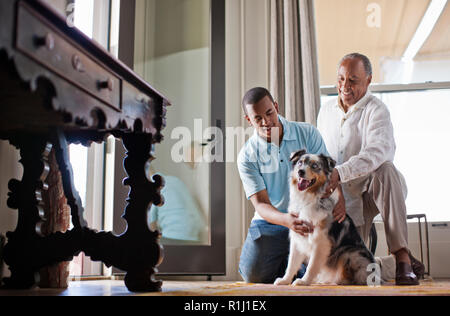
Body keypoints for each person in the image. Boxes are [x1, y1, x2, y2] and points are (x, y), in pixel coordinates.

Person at [317, 53, 424, 285]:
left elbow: (377, 153)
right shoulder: (325, 113)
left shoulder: (378, 110)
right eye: (341, 79)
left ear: (368, 80)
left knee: (386, 168)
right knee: (344, 277)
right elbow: (323, 160)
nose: (345, 86)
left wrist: (340, 173)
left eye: (353, 80)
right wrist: (334, 193)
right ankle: (392, 266)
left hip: (374, 192)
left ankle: (402, 256)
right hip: (342, 202)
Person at [237, 87, 346, 284]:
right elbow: (261, 204)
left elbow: (328, 174)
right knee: (252, 275)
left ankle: (301, 263)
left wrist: (339, 196)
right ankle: (294, 263)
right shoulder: (247, 155)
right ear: (249, 120)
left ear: (276, 107)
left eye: (269, 113)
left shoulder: (307, 132)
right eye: (258, 118)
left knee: (337, 271)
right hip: (271, 222)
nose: (266, 122)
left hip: (311, 216)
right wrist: (287, 220)